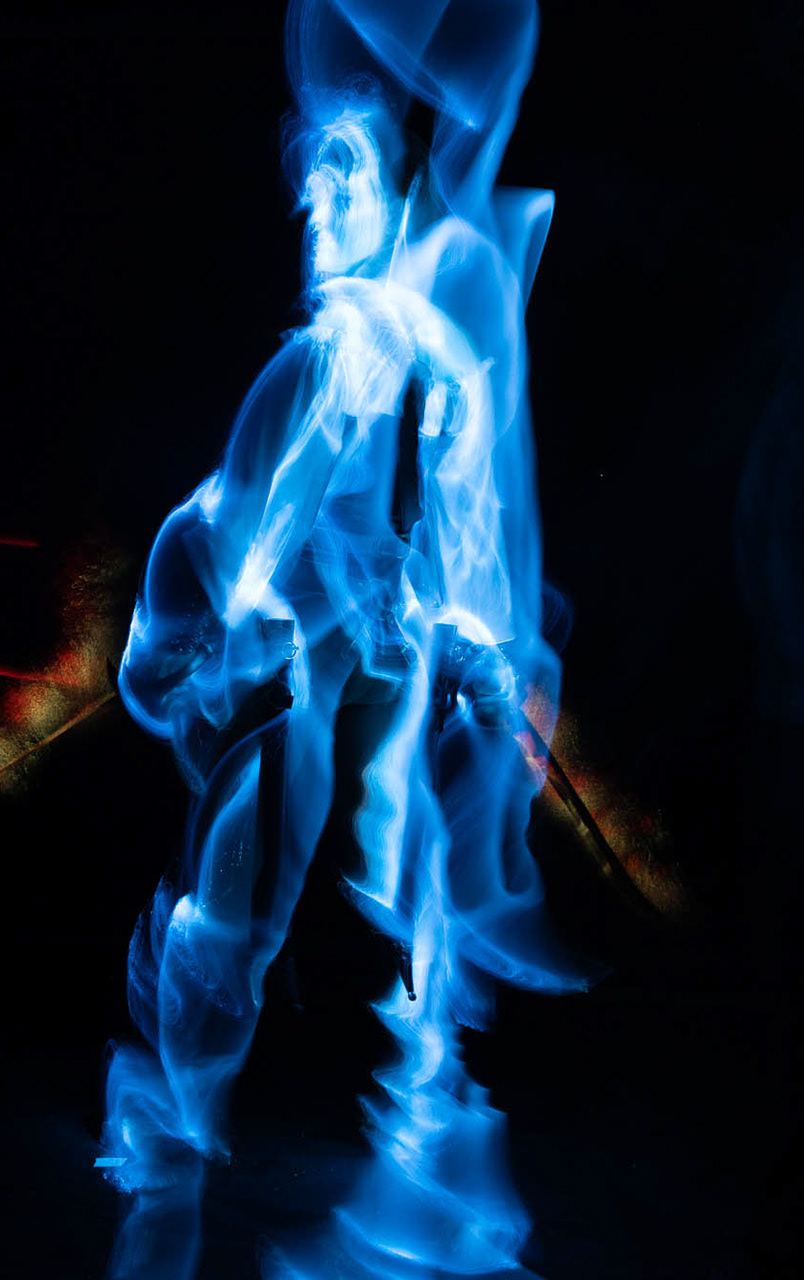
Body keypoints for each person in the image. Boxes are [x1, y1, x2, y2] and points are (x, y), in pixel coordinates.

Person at [100, 2, 588, 1275]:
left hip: (302, 654)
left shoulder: (407, 342)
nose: (318, 203)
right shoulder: (331, 354)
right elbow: (249, 546)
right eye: (314, 181)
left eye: (347, 176)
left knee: (348, 839)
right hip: (226, 637)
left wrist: (460, 633)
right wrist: (274, 613)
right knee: (251, 875)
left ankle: (373, 1120)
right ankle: (171, 1126)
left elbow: (425, 530)